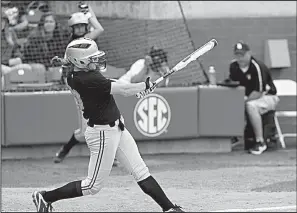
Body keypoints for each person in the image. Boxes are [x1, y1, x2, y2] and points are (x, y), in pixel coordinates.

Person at [32, 38, 184, 213]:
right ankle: (45, 197)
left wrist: (141, 87)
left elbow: (113, 83)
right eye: (92, 58)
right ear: (79, 61)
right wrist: (145, 85)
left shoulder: (80, 74)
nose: (96, 61)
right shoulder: (85, 79)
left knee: (141, 171)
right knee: (92, 186)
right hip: (102, 133)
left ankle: (169, 209)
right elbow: (124, 91)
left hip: (116, 128)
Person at [51, 4, 112, 165]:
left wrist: (88, 11)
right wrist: (61, 61)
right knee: (85, 131)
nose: (79, 29)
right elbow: (67, 60)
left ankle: (109, 156)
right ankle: (66, 149)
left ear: (85, 26)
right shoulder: (71, 44)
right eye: (76, 26)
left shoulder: (90, 38)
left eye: (81, 25)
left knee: (106, 119)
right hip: (80, 87)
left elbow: (99, 28)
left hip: (95, 82)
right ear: (72, 28)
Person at [228, 41, 279, 155]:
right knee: (230, 103)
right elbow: (233, 85)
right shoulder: (233, 66)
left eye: (242, 54)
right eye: (237, 55)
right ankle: (232, 136)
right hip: (247, 97)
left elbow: (258, 92)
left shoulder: (257, 66)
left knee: (250, 106)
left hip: (268, 97)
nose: (240, 58)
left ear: (249, 53)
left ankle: (260, 142)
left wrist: (242, 102)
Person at [1, 12, 32, 89]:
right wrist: (6, 62)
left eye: (2, 21)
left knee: (27, 68)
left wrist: (18, 58)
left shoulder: (10, 33)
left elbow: (16, 49)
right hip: (3, 65)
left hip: (11, 65)